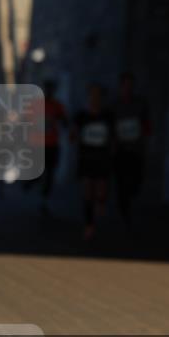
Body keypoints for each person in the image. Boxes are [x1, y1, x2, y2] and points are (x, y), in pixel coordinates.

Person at [71, 83, 114, 240]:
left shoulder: (108, 116)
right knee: (88, 192)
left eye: (98, 95)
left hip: (103, 158)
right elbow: (72, 135)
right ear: (88, 97)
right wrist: (74, 134)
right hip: (87, 158)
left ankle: (101, 203)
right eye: (92, 95)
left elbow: (113, 137)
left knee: (101, 190)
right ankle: (89, 225)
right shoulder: (82, 116)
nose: (95, 98)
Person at [113, 72, 151, 227]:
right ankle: (124, 212)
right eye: (125, 85)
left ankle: (129, 199)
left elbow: (146, 123)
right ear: (121, 86)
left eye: (130, 85)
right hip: (120, 150)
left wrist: (146, 135)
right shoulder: (115, 105)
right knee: (122, 183)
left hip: (136, 149)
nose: (128, 88)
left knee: (136, 180)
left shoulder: (140, 104)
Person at [25, 80, 68, 214]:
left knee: (49, 173)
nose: (49, 92)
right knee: (38, 173)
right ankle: (31, 182)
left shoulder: (57, 106)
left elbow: (65, 120)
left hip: (52, 145)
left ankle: (45, 200)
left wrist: (63, 122)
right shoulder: (35, 105)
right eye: (47, 89)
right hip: (37, 146)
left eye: (51, 89)